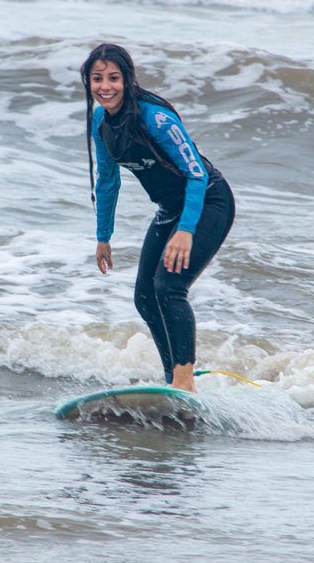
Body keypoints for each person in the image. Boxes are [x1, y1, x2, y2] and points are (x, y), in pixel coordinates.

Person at [80, 43, 235, 392]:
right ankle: (174, 378)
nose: (105, 86)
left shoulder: (156, 119)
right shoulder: (100, 122)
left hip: (209, 201)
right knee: (145, 297)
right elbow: (107, 181)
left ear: (127, 79)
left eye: (114, 78)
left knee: (169, 287)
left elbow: (196, 174)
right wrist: (103, 236)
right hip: (169, 209)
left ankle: (184, 382)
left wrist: (186, 230)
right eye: (97, 78)